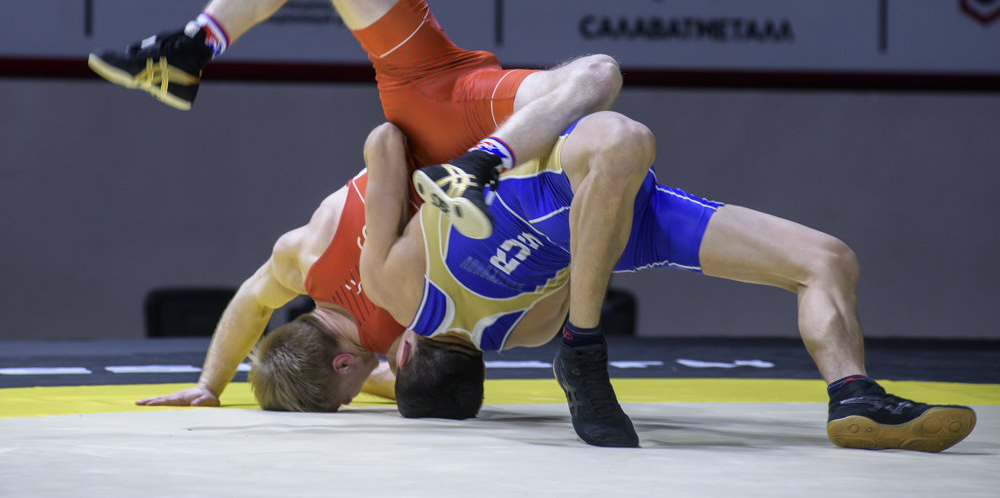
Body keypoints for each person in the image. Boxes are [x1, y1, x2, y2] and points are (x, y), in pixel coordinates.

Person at [88, 0, 622, 410]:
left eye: (345, 396)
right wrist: (210, 383)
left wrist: (370, 377)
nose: (353, 396)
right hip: (423, 98)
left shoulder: (400, 329)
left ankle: (483, 161)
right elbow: (253, 300)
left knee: (597, 77)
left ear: (345, 365)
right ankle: (193, 45)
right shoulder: (302, 257)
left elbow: (418, 385)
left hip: (464, 133)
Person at [358, 114, 978, 452]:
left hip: (615, 226)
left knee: (827, 258)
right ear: (403, 351)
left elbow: (582, 271)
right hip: (564, 192)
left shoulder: (522, 333)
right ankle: (584, 348)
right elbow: (386, 142)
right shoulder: (389, 285)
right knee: (624, 138)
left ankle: (854, 394)